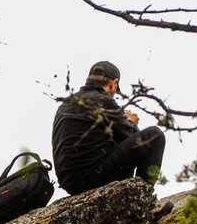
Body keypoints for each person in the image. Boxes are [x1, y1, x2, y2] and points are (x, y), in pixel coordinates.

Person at [51, 61, 166, 196]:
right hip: (90, 178)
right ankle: (143, 199)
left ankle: (129, 198)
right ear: (113, 83)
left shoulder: (65, 105)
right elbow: (131, 137)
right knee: (155, 135)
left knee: (115, 143)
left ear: (87, 80)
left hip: (71, 183)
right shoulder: (102, 100)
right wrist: (131, 122)